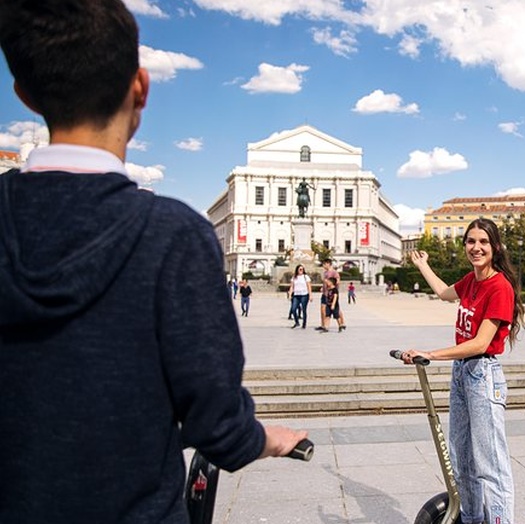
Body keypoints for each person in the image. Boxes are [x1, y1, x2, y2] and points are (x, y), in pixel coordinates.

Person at [0, 1, 307, 522]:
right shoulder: (173, 235)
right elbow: (216, 421)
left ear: (24, 94)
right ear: (140, 87)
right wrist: (266, 439)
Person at [401, 218, 525, 524]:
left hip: (483, 375)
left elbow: (480, 343)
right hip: (462, 374)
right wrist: (422, 265)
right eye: (471, 241)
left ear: (495, 247)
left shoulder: (500, 287)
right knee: (462, 460)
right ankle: (471, 519)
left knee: (490, 464)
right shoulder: (471, 281)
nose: (476, 247)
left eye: (483, 242)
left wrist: (429, 354)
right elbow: (444, 292)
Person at [316, 258, 345, 331]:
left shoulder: (334, 272)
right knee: (323, 309)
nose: (323, 266)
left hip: (332, 294)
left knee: (336, 310)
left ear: (328, 264)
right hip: (325, 293)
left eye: (324, 264)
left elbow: (337, 281)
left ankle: (342, 323)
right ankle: (323, 325)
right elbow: (325, 282)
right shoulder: (325, 272)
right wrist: (323, 287)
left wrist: (333, 289)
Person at [288, 264, 311, 328]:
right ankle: (297, 322)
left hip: (304, 295)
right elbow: (292, 287)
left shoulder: (306, 277)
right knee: (293, 309)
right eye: (300, 269)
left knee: (304, 310)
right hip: (296, 295)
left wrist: (310, 295)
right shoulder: (294, 277)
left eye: (302, 269)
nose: (301, 270)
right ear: (297, 270)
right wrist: (290, 294)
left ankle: (304, 324)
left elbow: (309, 286)